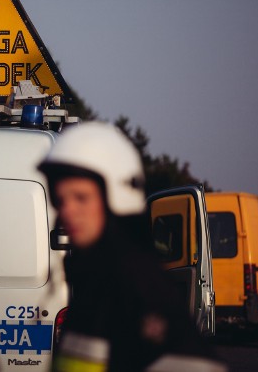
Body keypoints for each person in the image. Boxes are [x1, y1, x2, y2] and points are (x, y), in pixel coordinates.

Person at [38, 122, 226, 372]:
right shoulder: (93, 281)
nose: (67, 210)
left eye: (81, 198)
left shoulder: (139, 287)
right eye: (61, 199)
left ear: (117, 197)